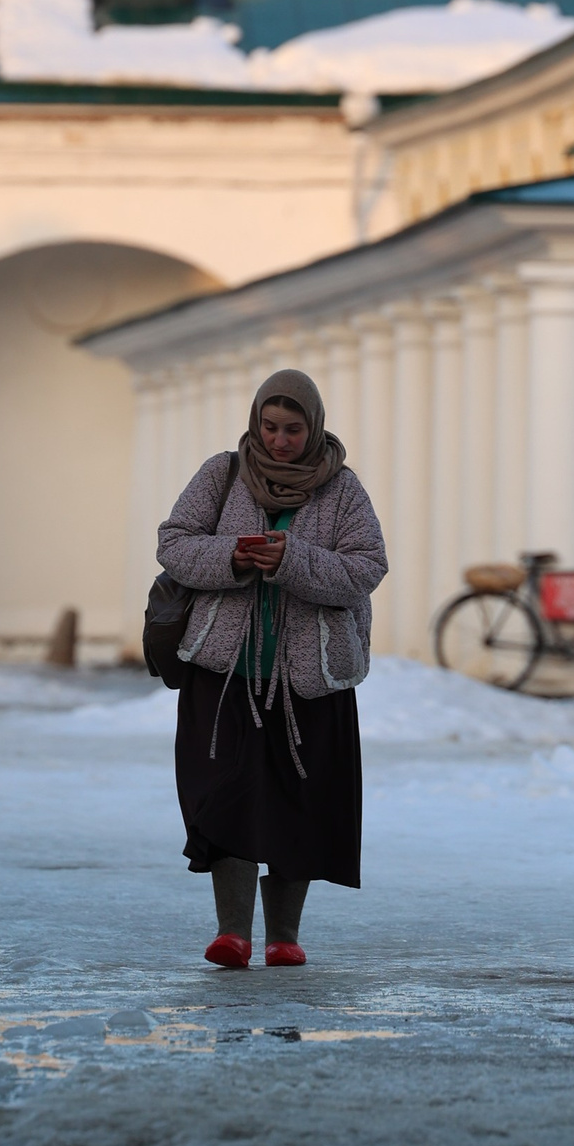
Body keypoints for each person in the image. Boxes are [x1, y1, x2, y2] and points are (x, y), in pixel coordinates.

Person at [155, 368, 386, 970]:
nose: (280, 440)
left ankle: (284, 936)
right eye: (270, 426)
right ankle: (232, 933)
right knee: (223, 798)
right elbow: (174, 543)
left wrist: (294, 560)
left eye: (293, 429)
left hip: (309, 682)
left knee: (297, 803)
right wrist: (232, 555)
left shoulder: (342, 489)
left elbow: (367, 568)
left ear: (315, 428)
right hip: (223, 674)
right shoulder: (222, 474)